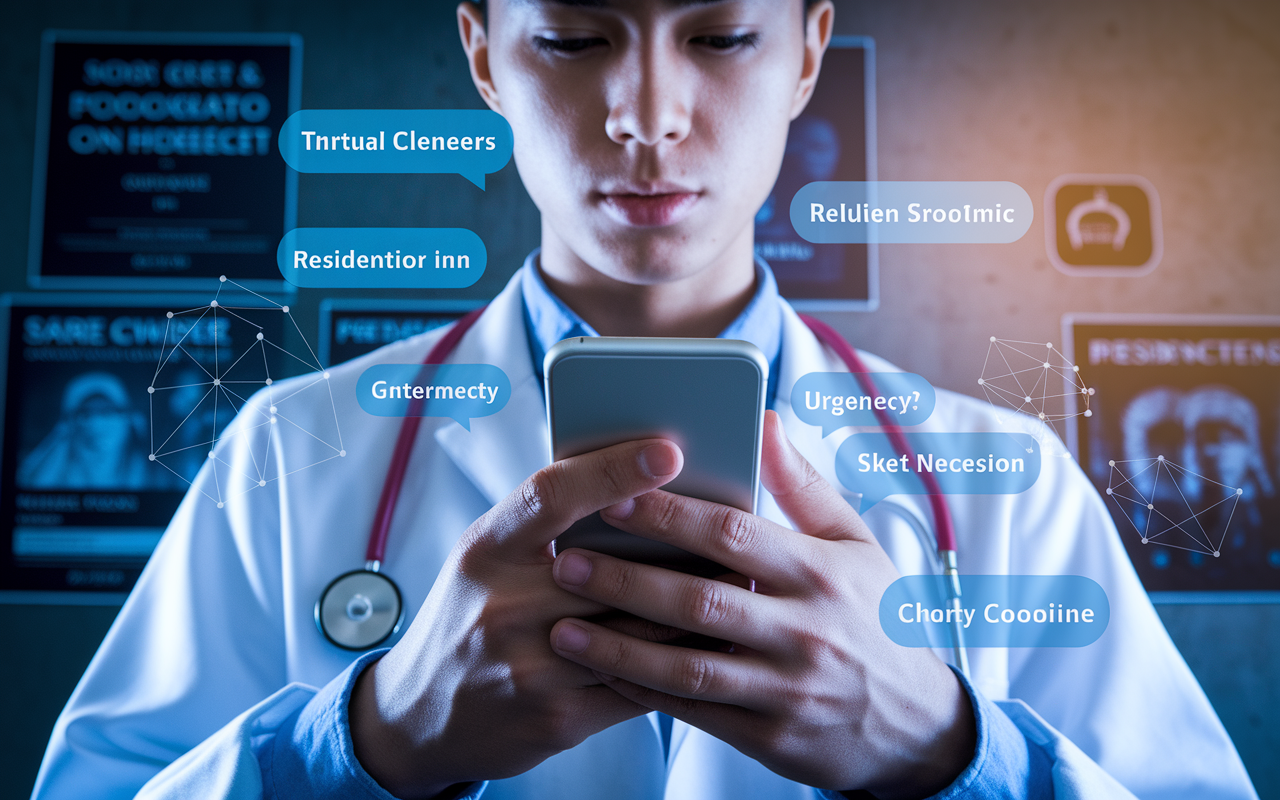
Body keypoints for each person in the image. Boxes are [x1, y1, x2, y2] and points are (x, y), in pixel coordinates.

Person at [32, 1, 1257, 798]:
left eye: (721, 36)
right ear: (480, 55)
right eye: (573, 38)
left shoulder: (1009, 475)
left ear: (809, 53)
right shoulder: (295, 448)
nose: (648, 117)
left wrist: (949, 750)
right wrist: (367, 740)